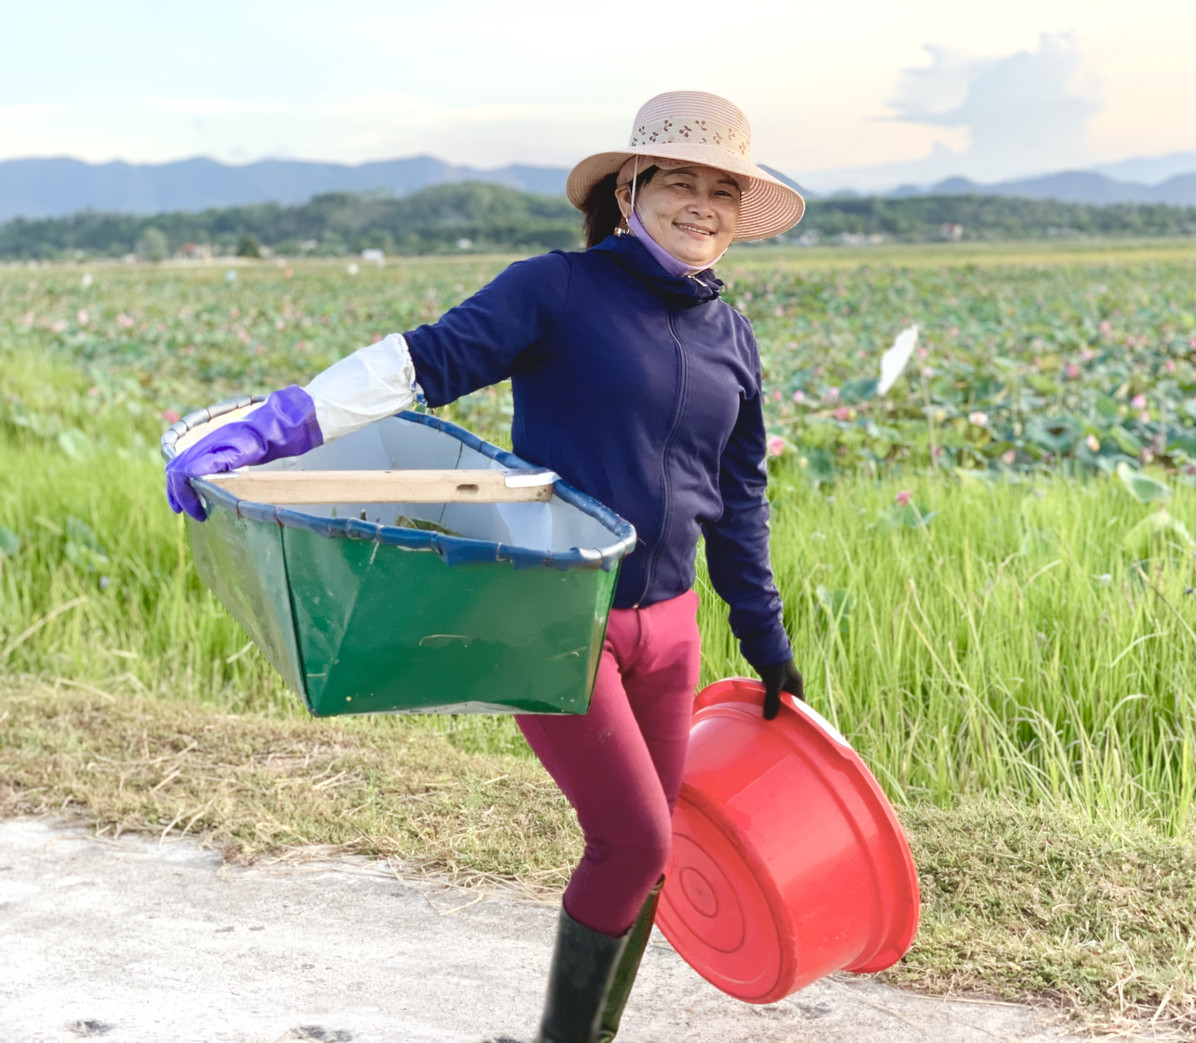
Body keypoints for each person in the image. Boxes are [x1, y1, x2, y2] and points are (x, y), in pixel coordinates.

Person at [165, 91, 805, 1043]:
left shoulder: (731, 337)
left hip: (670, 630)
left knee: (652, 850)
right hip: (556, 616)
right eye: (682, 181)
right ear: (630, 188)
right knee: (633, 839)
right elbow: (419, 363)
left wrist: (764, 635)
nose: (703, 206)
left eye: (723, 190)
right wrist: (276, 426)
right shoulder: (557, 290)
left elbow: (739, 500)